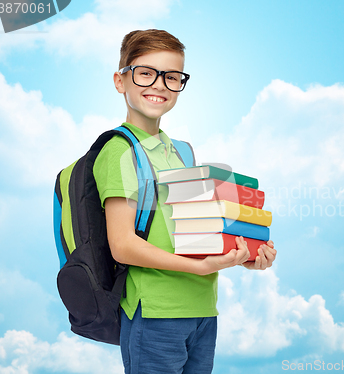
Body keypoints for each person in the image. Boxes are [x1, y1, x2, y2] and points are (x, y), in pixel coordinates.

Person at [92, 29, 277, 374]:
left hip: (203, 309)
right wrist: (199, 268)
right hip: (156, 313)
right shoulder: (119, 152)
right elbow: (122, 245)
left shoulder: (181, 152)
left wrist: (243, 255)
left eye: (172, 76)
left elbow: (195, 235)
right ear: (120, 81)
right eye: (146, 73)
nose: (159, 85)